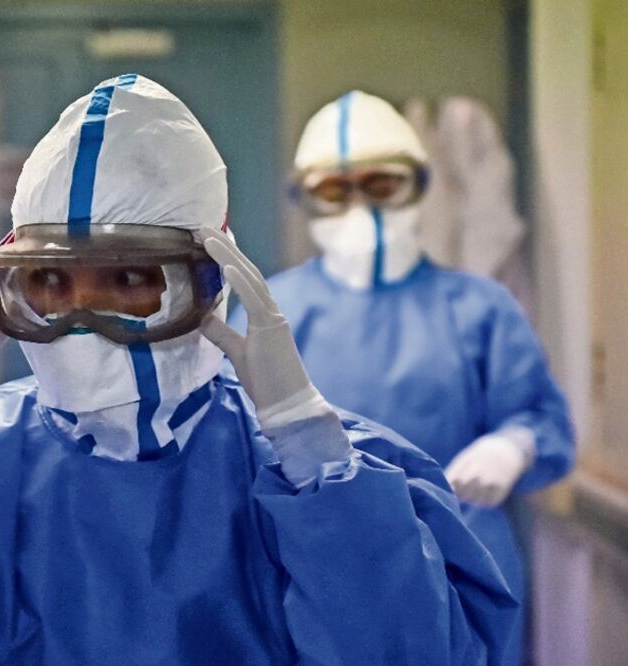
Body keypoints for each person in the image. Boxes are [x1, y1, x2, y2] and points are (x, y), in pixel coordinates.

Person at [0, 75, 516, 665]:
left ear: (207, 283)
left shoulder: (330, 478)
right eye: (50, 285)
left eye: (128, 282)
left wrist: (311, 455)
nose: (85, 321)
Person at [233, 90, 576, 665]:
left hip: (459, 562)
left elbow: (543, 418)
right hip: (316, 566)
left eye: (381, 184)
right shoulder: (272, 313)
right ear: (305, 199)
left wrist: (514, 444)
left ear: (419, 185)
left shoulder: (478, 307)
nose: (360, 206)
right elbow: (231, 434)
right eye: (335, 191)